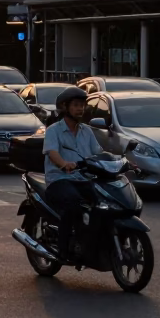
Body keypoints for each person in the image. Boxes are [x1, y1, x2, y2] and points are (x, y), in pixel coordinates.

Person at [43, 86, 104, 259]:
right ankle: (64, 248)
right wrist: (64, 164)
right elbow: (52, 152)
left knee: (103, 203)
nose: (80, 109)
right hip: (59, 179)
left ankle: (90, 241)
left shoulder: (87, 130)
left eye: (82, 105)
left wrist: (122, 161)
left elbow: (98, 153)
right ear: (65, 107)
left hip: (83, 179)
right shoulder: (53, 130)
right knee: (73, 203)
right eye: (76, 105)